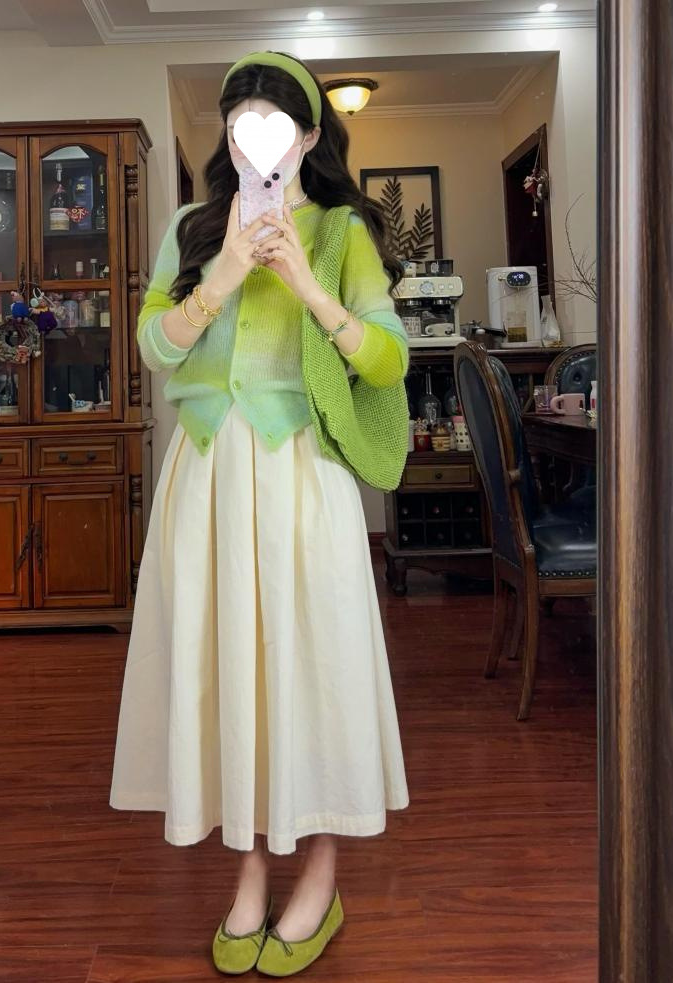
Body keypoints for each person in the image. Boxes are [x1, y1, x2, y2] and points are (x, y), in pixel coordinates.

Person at [111, 51, 409, 977]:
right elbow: (154, 347)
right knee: (226, 670)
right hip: (205, 477)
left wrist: (311, 287)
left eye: (277, 125)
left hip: (302, 475)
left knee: (312, 668)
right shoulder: (191, 227)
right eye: (241, 124)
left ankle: (319, 870)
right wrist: (224, 275)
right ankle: (247, 868)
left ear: (310, 136)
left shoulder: (344, 231)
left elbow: (389, 360)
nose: (258, 141)